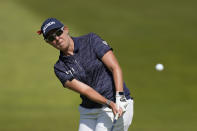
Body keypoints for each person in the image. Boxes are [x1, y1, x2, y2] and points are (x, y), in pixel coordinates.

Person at [37, 18, 134, 131]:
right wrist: (108, 103)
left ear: (66, 30)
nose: (57, 38)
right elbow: (86, 90)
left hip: (117, 103)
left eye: (58, 33)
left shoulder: (91, 41)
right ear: (48, 42)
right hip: (89, 111)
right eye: (51, 38)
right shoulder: (60, 68)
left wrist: (120, 96)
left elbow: (115, 67)